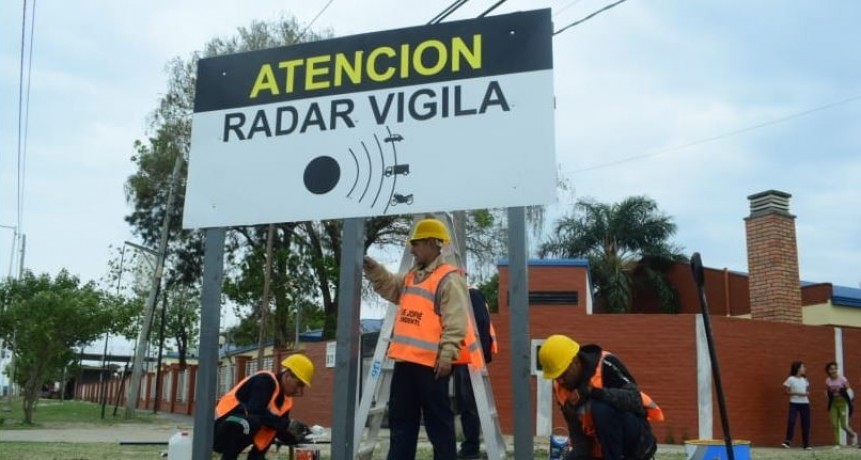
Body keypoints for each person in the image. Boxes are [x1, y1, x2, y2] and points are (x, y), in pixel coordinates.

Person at [364, 217, 482, 460]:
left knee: (439, 426)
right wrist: (371, 267)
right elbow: (389, 285)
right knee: (401, 426)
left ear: (430, 243)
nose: (412, 248)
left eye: (416, 244)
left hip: (432, 367)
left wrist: (447, 356)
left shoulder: (449, 279)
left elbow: (456, 322)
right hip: (405, 365)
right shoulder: (411, 276)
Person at [537, 334, 663, 460]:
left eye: (563, 374)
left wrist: (592, 392)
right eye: (556, 376)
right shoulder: (560, 387)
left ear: (575, 361)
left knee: (601, 408)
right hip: (600, 449)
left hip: (634, 445)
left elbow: (634, 399)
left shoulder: (605, 364)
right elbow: (576, 431)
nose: (561, 381)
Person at [213, 354, 315, 460]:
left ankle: (256, 457)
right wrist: (288, 425)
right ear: (288, 375)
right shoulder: (264, 381)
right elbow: (255, 410)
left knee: (271, 427)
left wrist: (297, 438)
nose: (298, 390)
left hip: (239, 427)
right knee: (253, 421)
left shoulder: (286, 402)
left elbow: (279, 428)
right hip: (219, 426)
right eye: (299, 384)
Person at [453, 287, 497, 459]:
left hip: (468, 357)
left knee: (468, 405)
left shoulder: (470, 295)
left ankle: (471, 448)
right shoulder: (471, 295)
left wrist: (481, 354)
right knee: (467, 404)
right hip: (463, 356)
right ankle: (470, 446)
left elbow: (481, 324)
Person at [825, 361, 856, 447]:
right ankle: (837, 443)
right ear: (828, 370)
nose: (834, 370)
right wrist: (827, 396)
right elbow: (827, 391)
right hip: (833, 404)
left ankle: (853, 435)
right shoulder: (828, 380)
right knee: (834, 424)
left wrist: (850, 401)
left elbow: (849, 390)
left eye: (835, 368)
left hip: (843, 403)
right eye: (831, 369)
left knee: (843, 425)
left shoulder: (842, 379)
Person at [781, 361, 811, 450]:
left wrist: (806, 393)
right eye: (802, 367)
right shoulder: (790, 379)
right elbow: (785, 391)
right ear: (797, 368)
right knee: (791, 421)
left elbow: (807, 391)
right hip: (794, 402)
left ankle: (806, 444)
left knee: (806, 423)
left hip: (805, 403)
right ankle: (788, 441)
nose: (804, 369)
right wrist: (797, 393)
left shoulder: (805, 379)